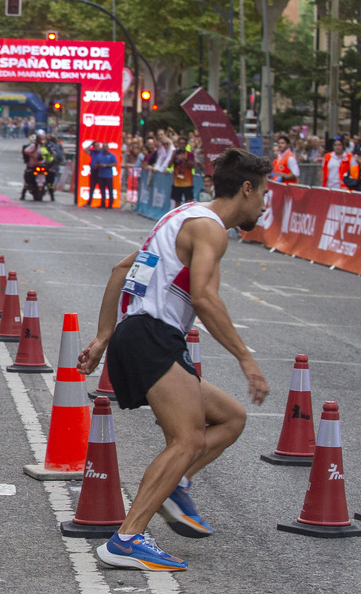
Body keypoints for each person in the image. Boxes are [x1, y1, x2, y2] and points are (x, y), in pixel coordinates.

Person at [79, 147, 271, 571]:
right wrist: (246, 359)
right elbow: (203, 295)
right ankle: (126, 540)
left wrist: (103, 337)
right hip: (153, 335)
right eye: (263, 194)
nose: (264, 203)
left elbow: (118, 271)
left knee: (230, 418)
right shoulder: (212, 230)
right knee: (187, 440)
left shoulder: (179, 215)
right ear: (245, 188)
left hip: (138, 333)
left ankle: (176, 484)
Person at [88, 139, 118, 208]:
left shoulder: (111, 155)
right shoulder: (100, 155)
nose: (105, 148)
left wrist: (107, 165)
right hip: (100, 174)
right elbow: (97, 163)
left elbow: (114, 163)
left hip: (108, 175)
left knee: (110, 189)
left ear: (108, 147)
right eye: (104, 146)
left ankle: (110, 204)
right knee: (102, 190)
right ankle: (103, 203)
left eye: (106, 146)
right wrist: (97, 165)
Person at [169, 137, 195, 205]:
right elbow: (169, 165)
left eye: (183, 143)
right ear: (178, 144)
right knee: (177, 203)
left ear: (186, 144)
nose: (182, 145)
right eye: (180, 143)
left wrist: (185, 159)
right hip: (177, 182)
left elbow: (192, 166)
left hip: (188, 182)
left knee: (188, 203)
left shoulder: (189, 154)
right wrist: (173, 156)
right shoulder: (175, 154)